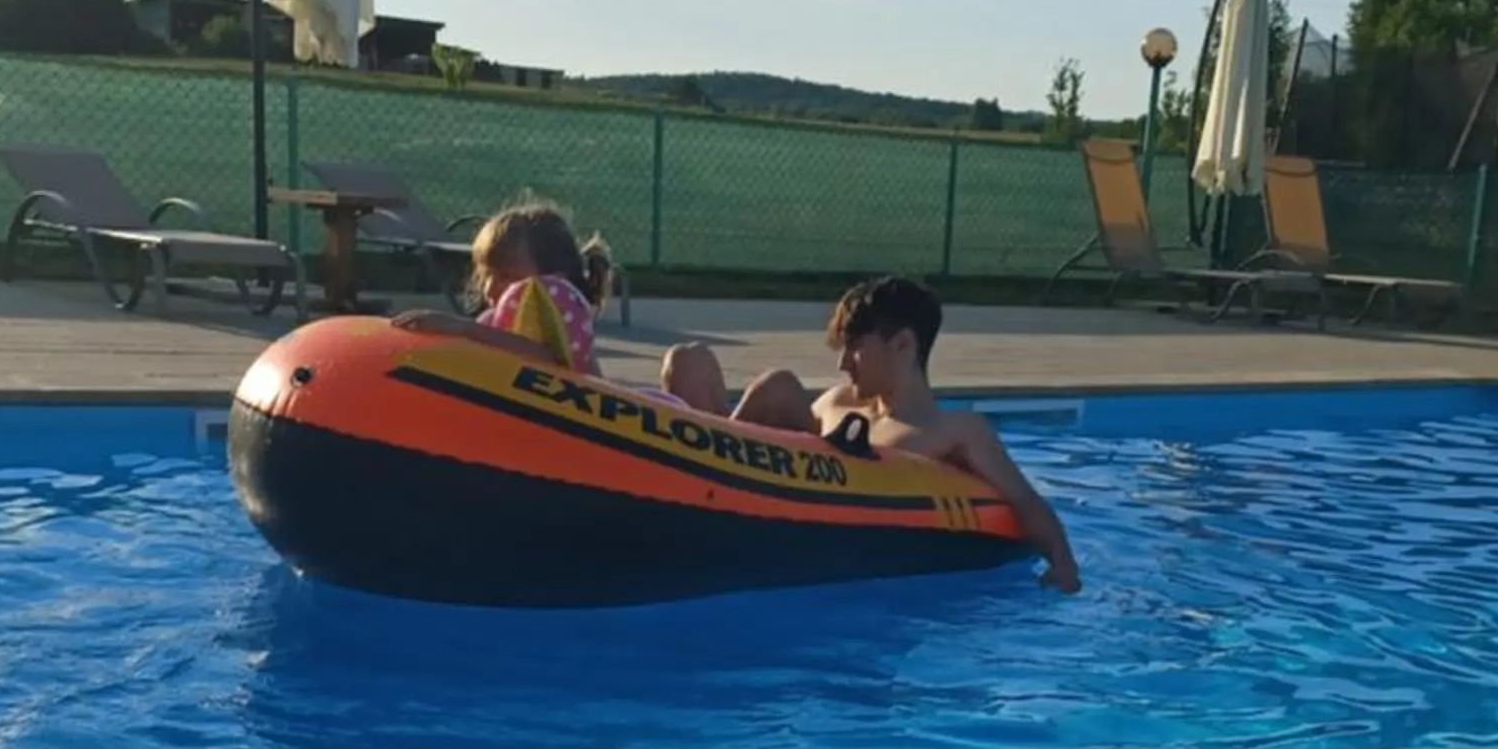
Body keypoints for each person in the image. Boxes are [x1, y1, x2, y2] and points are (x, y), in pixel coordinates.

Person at [662, 275, 1082, 593]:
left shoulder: (952, 431)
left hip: (843, 549)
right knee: (752, 377)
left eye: (854, 347)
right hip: (743, 502)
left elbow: (1023, 498)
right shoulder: (835, 403)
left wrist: (1063, 565)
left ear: (902, 345)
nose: (843, 362)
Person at [394, 198, 615, 373]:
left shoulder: (565, 329)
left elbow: (551, 363)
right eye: (486, 275)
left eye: (506, 276)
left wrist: (465, 329)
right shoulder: (494, 324)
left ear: (552, 281)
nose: (489, 288)